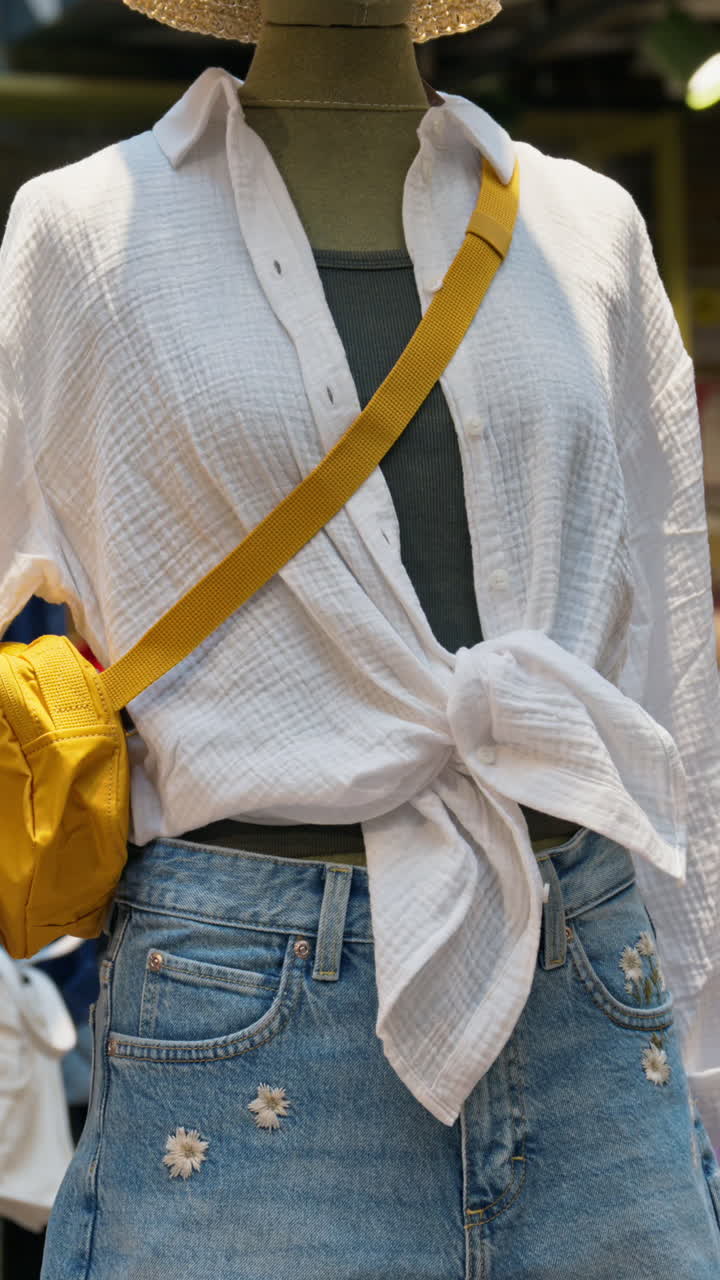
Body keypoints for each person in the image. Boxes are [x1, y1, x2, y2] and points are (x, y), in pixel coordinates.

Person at [0, 0, 718, 1273]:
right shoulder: (84, 233)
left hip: (592, 985)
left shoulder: (587, 228)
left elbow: (669, 645)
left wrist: (709, 1046)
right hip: (240, 1006)